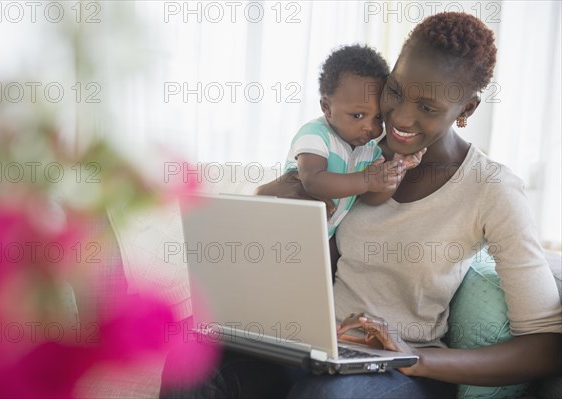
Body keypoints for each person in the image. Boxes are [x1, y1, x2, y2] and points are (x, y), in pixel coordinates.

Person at [160, 12, 562, 399]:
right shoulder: (351, 151)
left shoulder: (491, 188)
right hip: (317, 346)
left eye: (428, 108)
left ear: (467, 110)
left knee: (327, 394)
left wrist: (415, 357)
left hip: (405, 369)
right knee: (192, 358)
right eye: (397, 92)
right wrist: (282, 200)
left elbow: (546, 345)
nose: (400, 118)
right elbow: (301, 246)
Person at [283, 44, 426, 237]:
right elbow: (312, 180)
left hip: (319, 238)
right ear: (327, 107)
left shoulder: (370, 150)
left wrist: (397, 168)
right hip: (282, 228)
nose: (369, 126)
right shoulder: (316, 134)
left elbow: (371, 198)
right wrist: (367, 180)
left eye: (378, 118)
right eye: (358, 115)